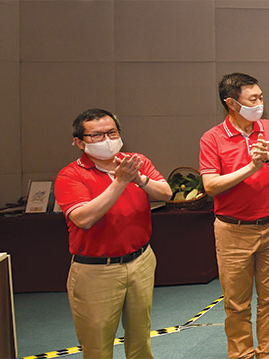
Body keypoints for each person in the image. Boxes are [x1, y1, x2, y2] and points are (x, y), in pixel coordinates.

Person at [54, 108, 172, 358]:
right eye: (97, 135)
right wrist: (120, 182)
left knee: (141, 337)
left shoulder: (135, 161)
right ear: (79, 142)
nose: (107, 140)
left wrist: (138, 178)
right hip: (96, 270)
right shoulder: (70, 175)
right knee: (97, 345)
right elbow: (83, 219)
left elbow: (165, 193)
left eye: (112, 133)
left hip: (140, 261)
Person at [199, 73, 269, 359]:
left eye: (261, 97)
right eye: (253, 99)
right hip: (234, 231)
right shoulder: (212, 138)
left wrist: (268, 158)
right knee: (237, 303)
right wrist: (250, 168)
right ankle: (241, 354)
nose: (260, 103)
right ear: (231, 103)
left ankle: (267, 353)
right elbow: (210, 185)